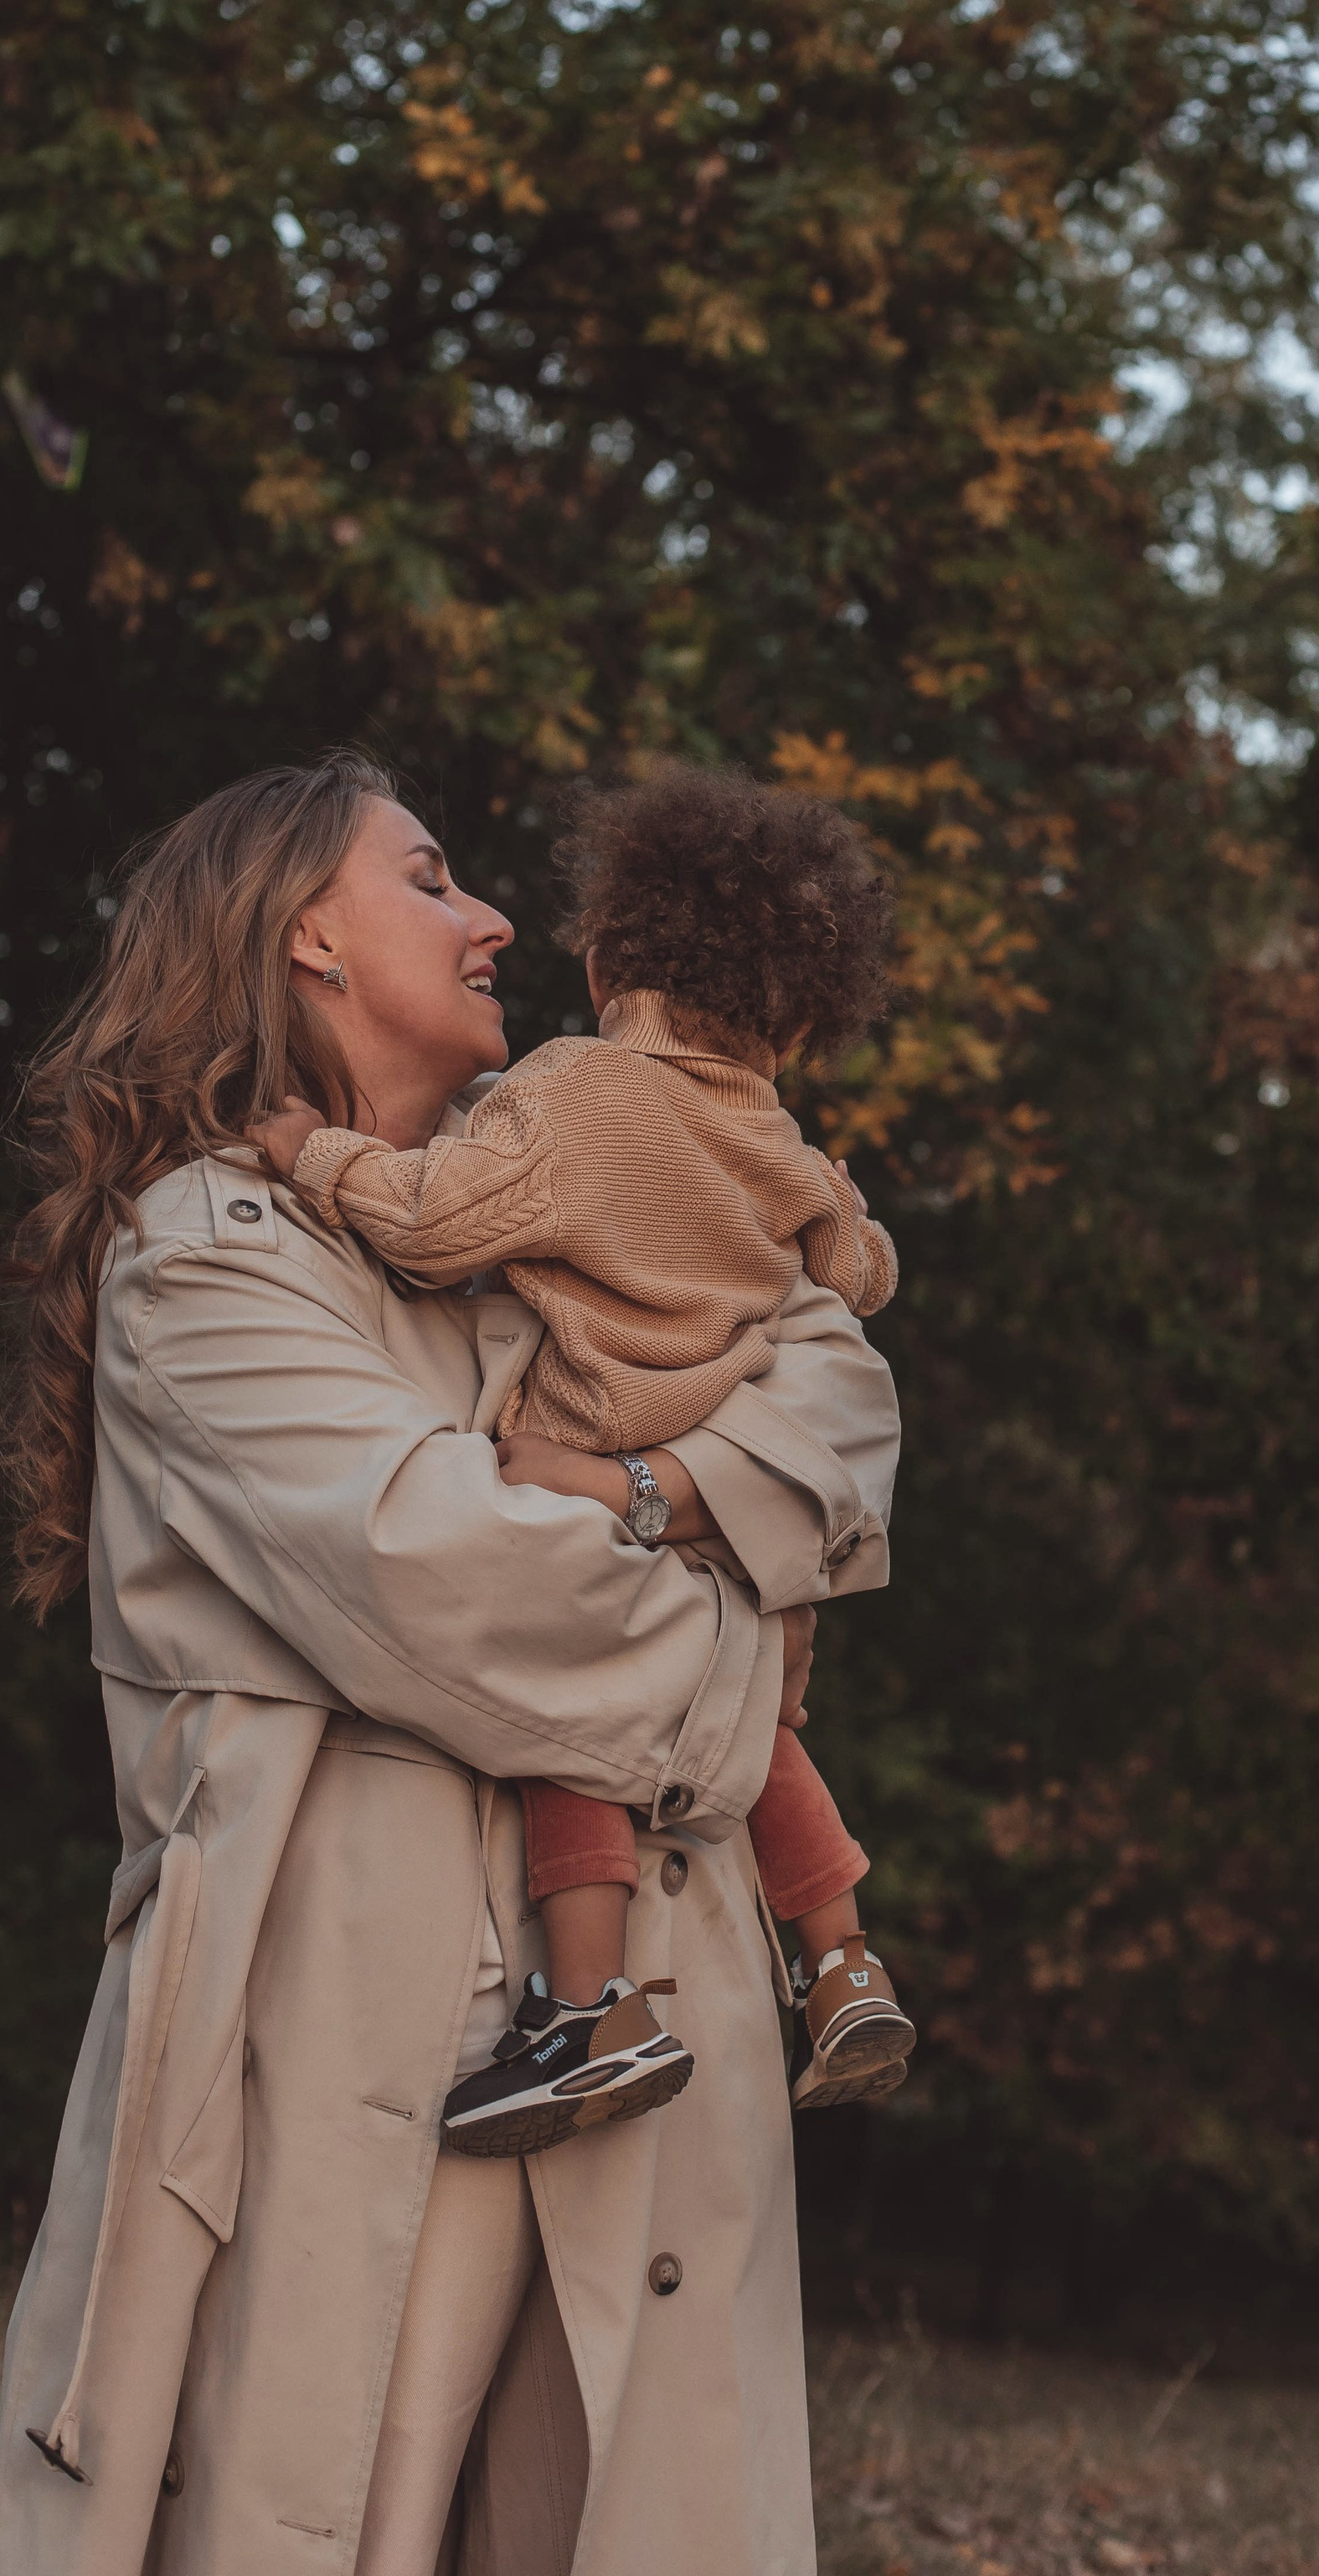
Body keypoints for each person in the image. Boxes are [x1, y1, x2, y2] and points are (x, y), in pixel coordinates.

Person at [0, 752, 899, 2576]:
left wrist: (640, 1486)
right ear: (303, 936)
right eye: (432, 880)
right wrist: (737, 1603)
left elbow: (847, 1390)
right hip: (352, 2055)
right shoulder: (214, 1261)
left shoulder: (566, 1212)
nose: (494, 923)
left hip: (649, 2032)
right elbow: (472, 1596)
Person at [256, 765, 915, 2156]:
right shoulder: (777, 1141)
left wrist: (314, 1159)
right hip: (727, 1493)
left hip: (586, 1453)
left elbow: (445, 1221)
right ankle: (846, 1960)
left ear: (613, 954)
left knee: (581, 1745)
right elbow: (857, 1277)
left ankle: (589, 2007)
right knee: (770, 1723)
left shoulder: (572, 1089)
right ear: (797, 1014)